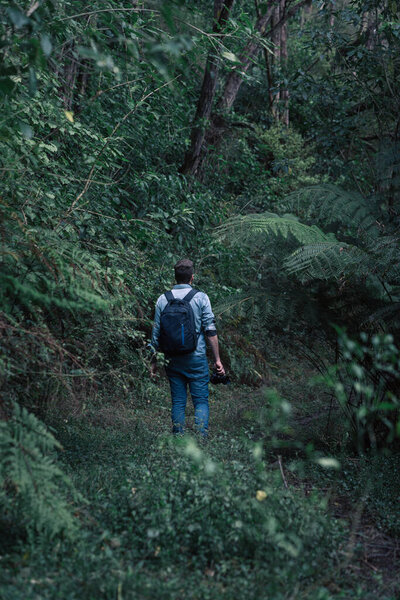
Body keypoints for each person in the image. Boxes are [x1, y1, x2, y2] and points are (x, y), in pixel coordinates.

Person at [149, 259, 225, 438]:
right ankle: (201, 439)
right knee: (200, 401)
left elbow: (156, 333)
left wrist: (153, 362)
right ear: (192, 277)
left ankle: (178, 440)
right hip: (196, 357)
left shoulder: (163, 299)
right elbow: (210, 331)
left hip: (172, 358)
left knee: (178, 401)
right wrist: (217, 360)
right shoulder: (201, 297)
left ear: (175, 278)